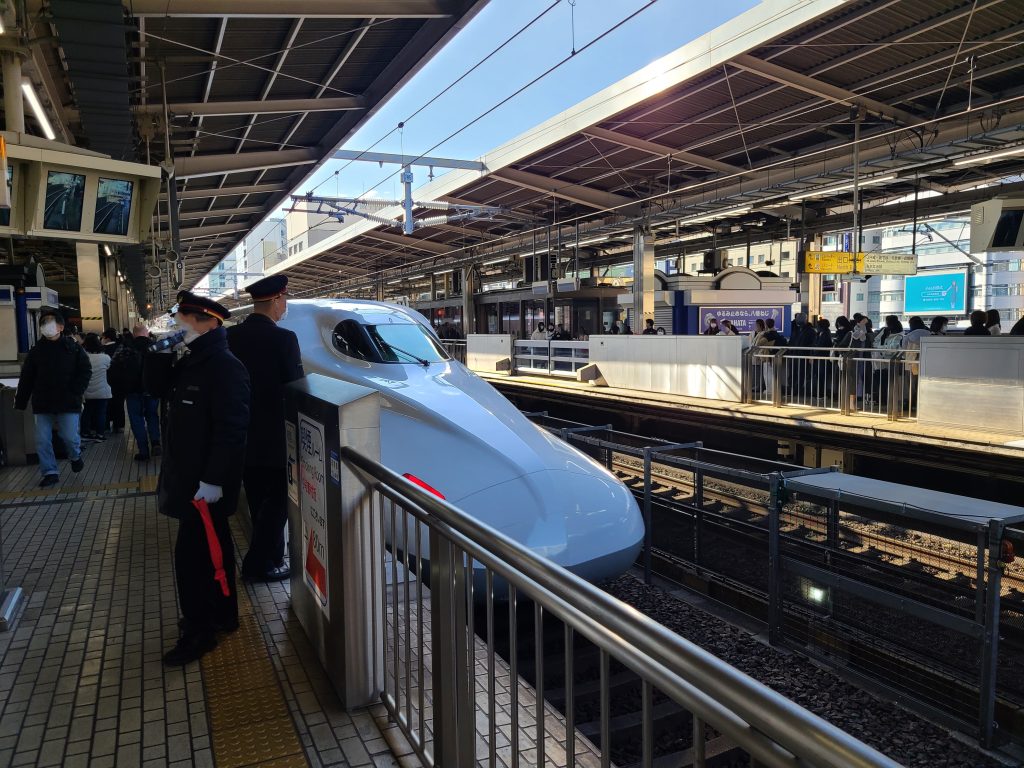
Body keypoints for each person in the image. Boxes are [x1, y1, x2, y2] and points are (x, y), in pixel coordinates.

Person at [144, 292, 250, 666]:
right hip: (189, 480)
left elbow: (232, 430)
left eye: (185, 319)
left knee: (193, 560)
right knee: (212, 551)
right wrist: (158, 352)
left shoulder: (224, 366)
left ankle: (199, 630)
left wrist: (216, 481)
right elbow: (156, 388)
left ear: (209, 321)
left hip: (204, 487)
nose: (179, 325)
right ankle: (222, 615)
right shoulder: (192, 361)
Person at [227, 275, 305, 583]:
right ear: (276, 300)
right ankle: (258, 564)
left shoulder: (230, 336)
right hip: (275, 437)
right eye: (284, 299)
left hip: (242, 434)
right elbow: (296, 388)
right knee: (280, 502)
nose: (285, 305)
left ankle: (274, 559)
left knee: (258, 497)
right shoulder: (285, 339)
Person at [14, 310, 90, 487]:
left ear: (61, 327)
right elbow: (27, 378)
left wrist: (76, 390)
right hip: (42, 402)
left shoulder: (73, 348)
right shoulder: (36, 352)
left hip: (68, 401)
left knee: (70, 437)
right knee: (42, 439)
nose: (45, 327)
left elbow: (85, 371)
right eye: (43, 323)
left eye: (49, 322)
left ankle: (75, 455)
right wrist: (21, 401)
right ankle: (50, 472)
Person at [114, 323, 162, 461]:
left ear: (134, 334)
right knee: (152, 415)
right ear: (146, 333)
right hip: (151, 389)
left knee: (136, 419)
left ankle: (143, 451)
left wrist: (120, 387)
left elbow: (114, 367)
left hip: (132, 391)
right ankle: (155, 442)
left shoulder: (125, 347)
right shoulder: (155, 346)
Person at [81, 333, 112, 440]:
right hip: (102, 391)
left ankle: (85, 433)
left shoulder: (83, 357)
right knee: (101, 413)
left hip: (87, 391)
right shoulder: (105, 357)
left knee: (87, 412)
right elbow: (109, 368)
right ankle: (100, 434)